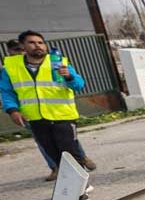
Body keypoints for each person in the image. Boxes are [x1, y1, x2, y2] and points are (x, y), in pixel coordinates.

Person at [2, 30, 88, 186]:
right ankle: (70, 187)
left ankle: (80, 188)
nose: (37, 46)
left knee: (69, 154)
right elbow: (7, 92)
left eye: (40, 43)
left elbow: (79, 85)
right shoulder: (11, 68)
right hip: (35, 119)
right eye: (32, 43)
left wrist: (69, 76)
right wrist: (13, 110)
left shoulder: (58, 62)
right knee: (54, 155)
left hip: (63, 116)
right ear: (23, 45)